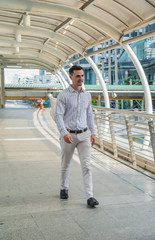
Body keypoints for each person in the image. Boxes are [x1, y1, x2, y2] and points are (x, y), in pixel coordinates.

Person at [54, 65, 99, 208]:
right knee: (66, 163)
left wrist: (93, 132)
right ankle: (64, 187)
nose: (81, 79)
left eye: (82, 76)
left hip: (84, 134)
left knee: (87, 166)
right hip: (68, 135)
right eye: (77, 76)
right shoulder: (64, 95)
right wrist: (64, 133)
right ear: (71, 77)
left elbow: (90, 115)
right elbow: (58, 116)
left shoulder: (87, 95)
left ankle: (90, 197)